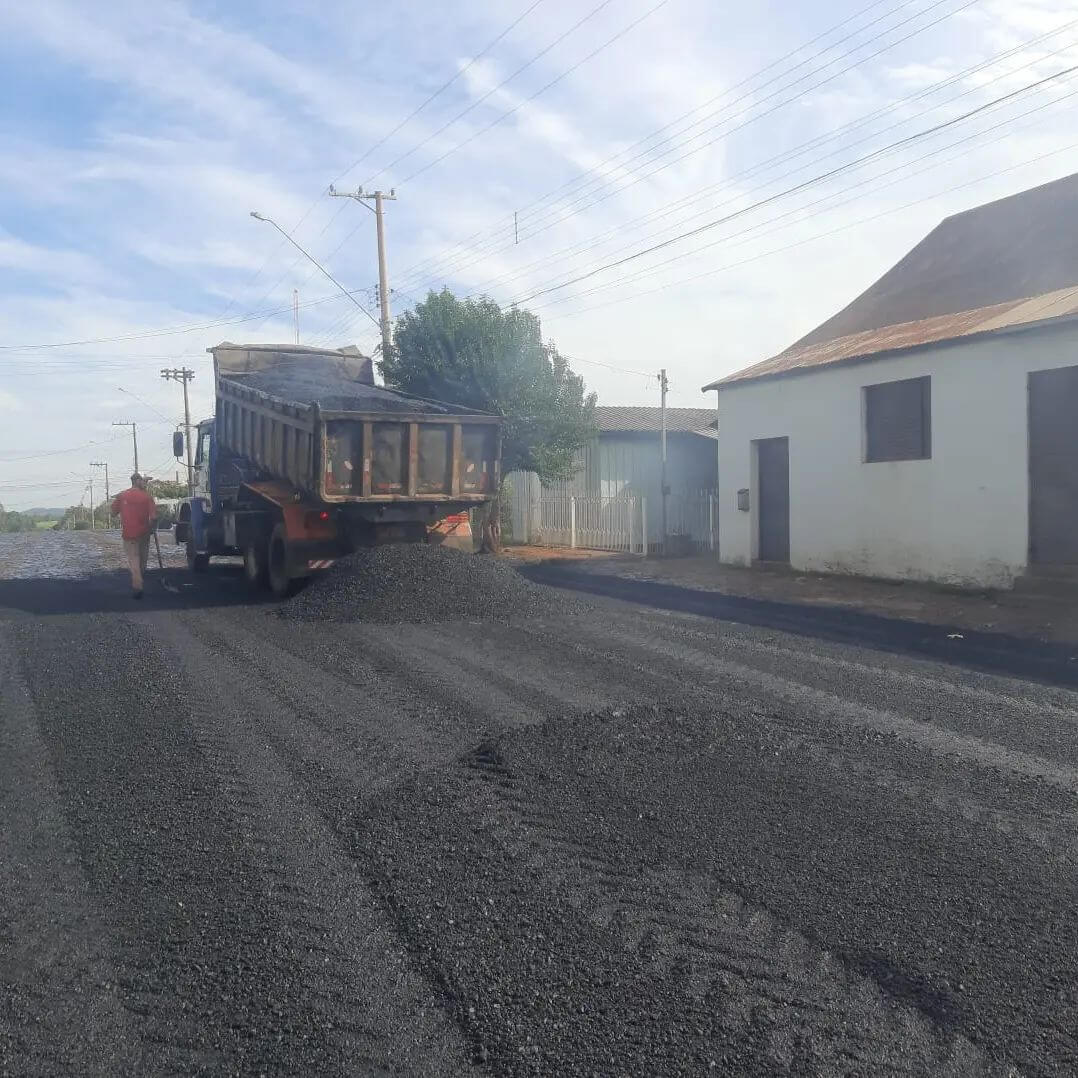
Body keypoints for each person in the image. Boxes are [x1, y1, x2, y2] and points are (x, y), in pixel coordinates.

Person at [111, 474, 157, 598]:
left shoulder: (122, 495)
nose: (143, 482)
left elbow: (113, 513)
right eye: (142, 480)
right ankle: (139, 579)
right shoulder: (147, 497)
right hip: (144, 533)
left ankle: (137, 584)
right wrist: (152, 528)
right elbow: (153, 517)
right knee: (142, 559)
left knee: (134, 559)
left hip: (129, 534)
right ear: (137, 481)